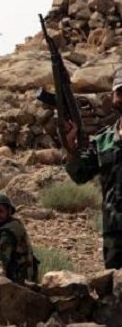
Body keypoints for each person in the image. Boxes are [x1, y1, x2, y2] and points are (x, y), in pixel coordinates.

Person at [63, 69, 122, 269]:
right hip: (114, 232)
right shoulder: (104, 140)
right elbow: (79, 174)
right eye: (120, 92)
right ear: (113, 97)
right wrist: (70, 146)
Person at [0, 191, 38, 283]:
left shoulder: (7, 232)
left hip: (16, 284)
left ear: (8, 210)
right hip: (26, 280)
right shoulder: (15, 224)